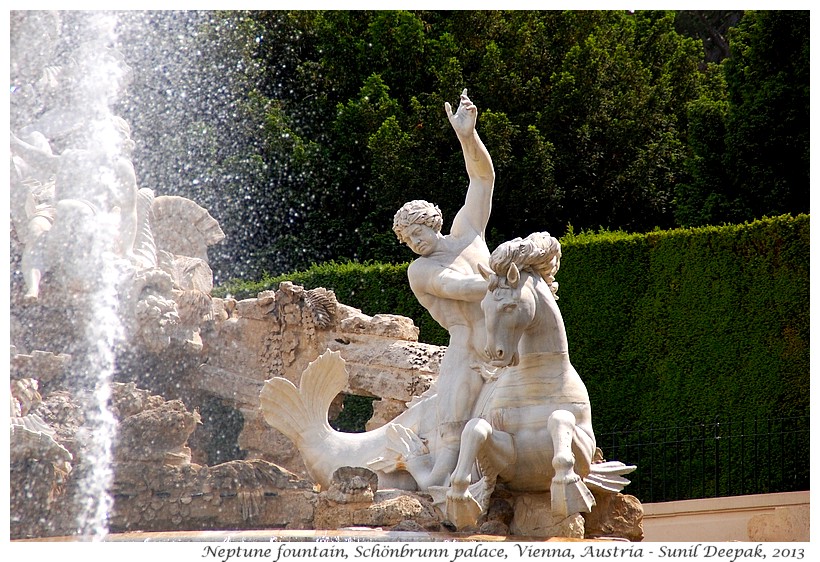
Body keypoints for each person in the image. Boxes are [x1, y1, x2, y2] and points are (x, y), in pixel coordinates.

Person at [392, 89, 494, 489]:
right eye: (406, 238)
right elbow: (459, 287)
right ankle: (423, 475)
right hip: (467, 354)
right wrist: (504, 280)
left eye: (416, 231)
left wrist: (467, 138)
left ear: (432, 222)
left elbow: (482, 179)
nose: (414, 241)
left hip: (506, 343)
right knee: (447, 457)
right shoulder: (420, 270)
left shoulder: (467, 233)